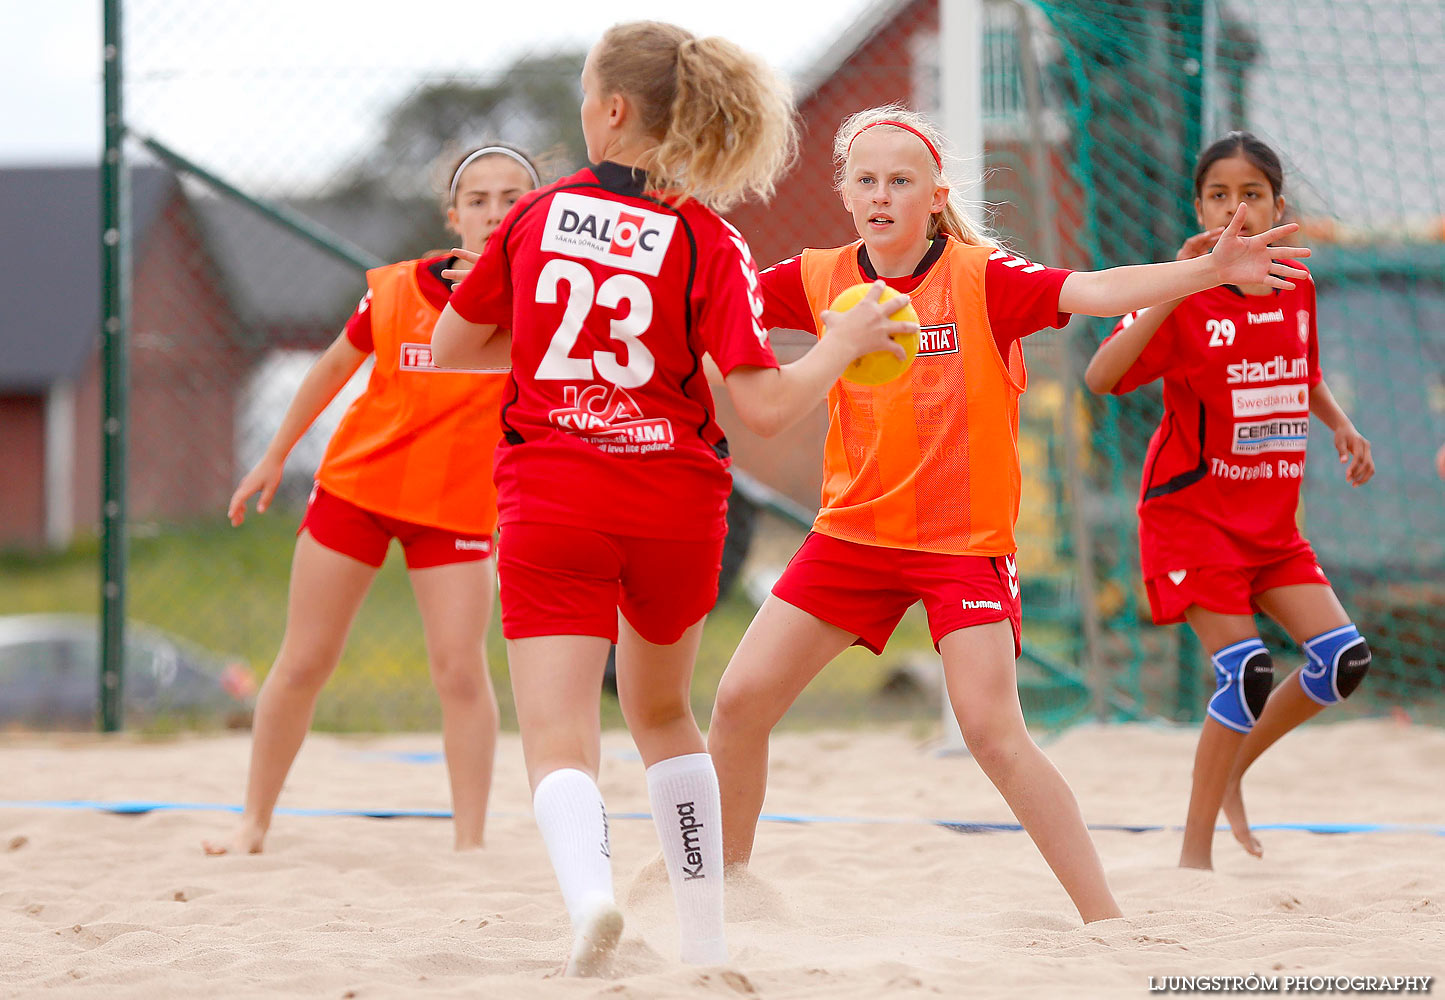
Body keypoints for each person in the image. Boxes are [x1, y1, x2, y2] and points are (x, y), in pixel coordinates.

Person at [706, 106, 1310, 923]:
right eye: (866, 180)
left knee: (993, 734)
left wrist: (1206, 272)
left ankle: (1105, 922)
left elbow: (1095, 291)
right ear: (845, 194)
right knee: (738, 704)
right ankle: (726, 896)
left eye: (900, 180)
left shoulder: (982, 276)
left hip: (960, 547)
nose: (881, 194)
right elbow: (711, 301)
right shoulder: (815, 277)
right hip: (851, 537)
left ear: (932, 196)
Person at [431, 23, 915, 976]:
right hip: (673, 499)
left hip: (553, 489)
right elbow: (766, 408)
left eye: (583, 92)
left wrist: (540, 351)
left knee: (560, 731)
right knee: (663, 715)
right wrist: (844, 340)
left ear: (612, 111)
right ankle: (705, 941)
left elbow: (451, 347)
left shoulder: (537, 217)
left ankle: (591, 902)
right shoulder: (709, 237)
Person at [204, 143, 543, 857]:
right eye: (477, 201)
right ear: (453, 216)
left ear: (536, 212)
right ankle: (252, 824)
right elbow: (333, 365)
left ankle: (470, 847)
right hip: (358, 490)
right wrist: (272, 457)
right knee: (303, 662)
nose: (494, 213)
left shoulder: (546, 307)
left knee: (459, 669)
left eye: (512, 199)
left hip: (452, 511)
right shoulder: (395, 290)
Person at [1084, 130, 1375, 870]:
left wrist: (1340, 425)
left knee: (1341, 661)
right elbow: (1101, 377)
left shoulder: (1296, 285)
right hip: (1192, 519)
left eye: (1250, 193)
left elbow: (1296, 368)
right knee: (1244, 671)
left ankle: (1233, 769)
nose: (1235, 207)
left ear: (1278, 204)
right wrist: (1170, 286)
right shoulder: (1183, 294)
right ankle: (1193, 858)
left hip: (1269, 525)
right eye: (1218, 194)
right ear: (1199, 207)